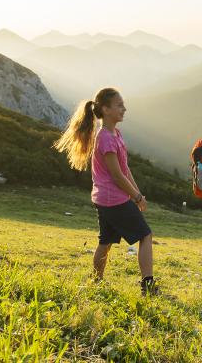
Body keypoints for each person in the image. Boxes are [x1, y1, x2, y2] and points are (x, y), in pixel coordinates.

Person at [54, 87, 158, 296]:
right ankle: (147, 285)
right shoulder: (106, 138)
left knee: (106, 241)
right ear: (105, 109)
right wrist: (136, 197)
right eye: (119, 105)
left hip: (105, 198)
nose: (124, 109)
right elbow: (117, 176)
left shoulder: (114, 134)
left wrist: (138, 194)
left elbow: (125, 168)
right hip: (114, 199)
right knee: (145, 236)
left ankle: (96, 281)